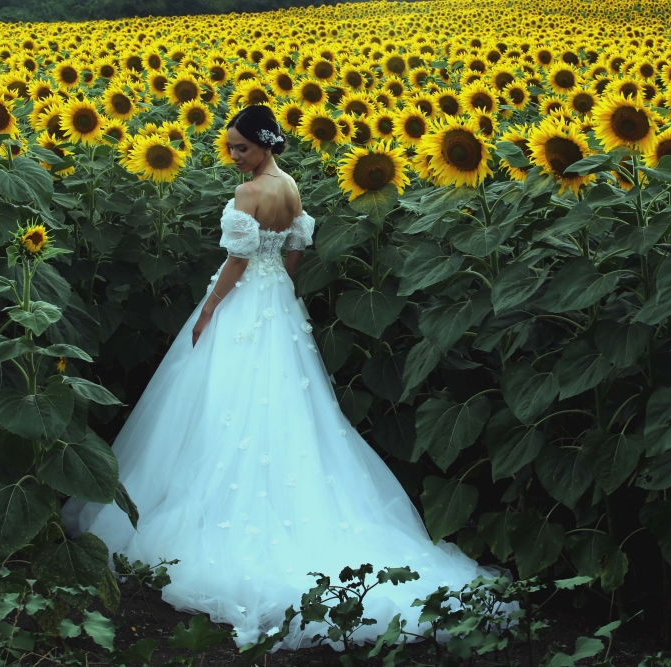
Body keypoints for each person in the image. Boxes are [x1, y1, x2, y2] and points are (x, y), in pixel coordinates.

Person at [62, 105, 511, 653]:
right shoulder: (290, 186)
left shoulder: (248, 195)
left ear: (263, 145)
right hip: (276, 300)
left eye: (241, 149)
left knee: (220, 397)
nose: (233, 157)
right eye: (229, 148)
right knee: (289, 403)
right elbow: (293, 252)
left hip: (243, 299)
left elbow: (235, 262)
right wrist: (279, 288)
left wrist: (209, 311)